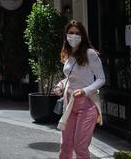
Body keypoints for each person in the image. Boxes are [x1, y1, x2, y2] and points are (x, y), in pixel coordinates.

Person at [54, 20, 105, 159]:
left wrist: (85, 91)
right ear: (66, 35)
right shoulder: (68, 54)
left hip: (87, 105)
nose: (74, 36)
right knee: (65, 146)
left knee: (80, 147)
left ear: (83, 36)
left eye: (77, 33)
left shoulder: (90, 53)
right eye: (71, 33)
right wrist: (61, 85)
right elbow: (71, 78)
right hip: (70, 104)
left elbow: (101, 79)